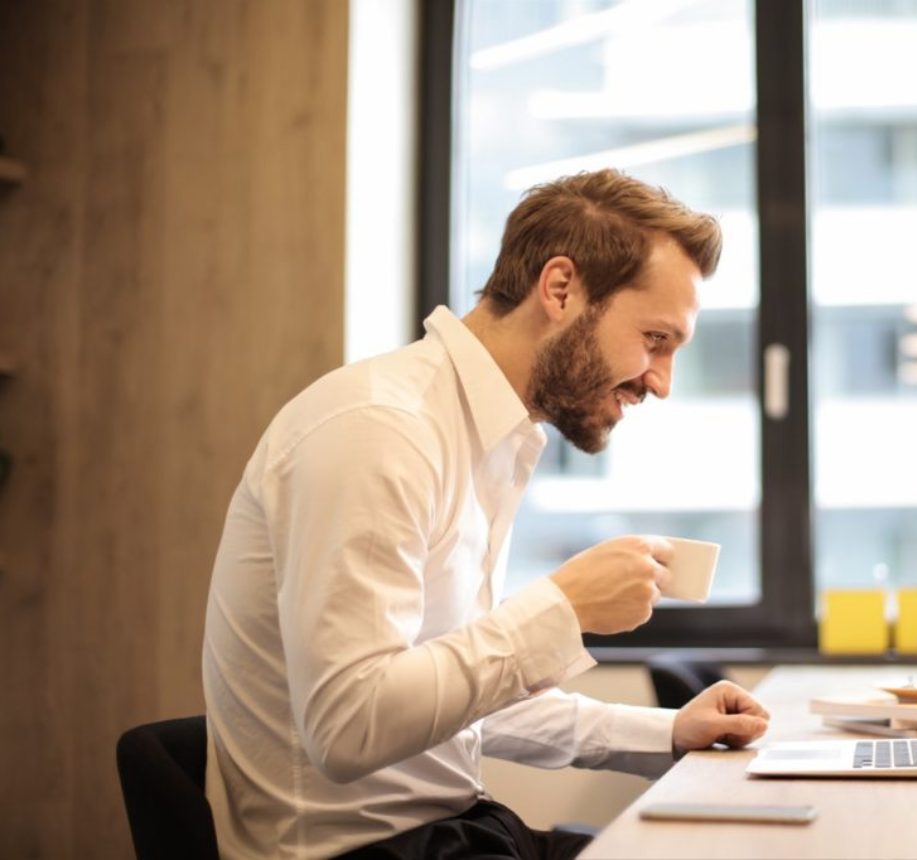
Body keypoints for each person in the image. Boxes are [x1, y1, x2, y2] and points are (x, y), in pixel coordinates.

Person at [202, 168, 771, 859]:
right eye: (655, 340)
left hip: (450, 834)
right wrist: (559, 610)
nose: (662, 382)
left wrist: (666, 733)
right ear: (560, 290)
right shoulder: (380, 430)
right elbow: (348, 727)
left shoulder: (490, 438)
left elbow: (453, 701)